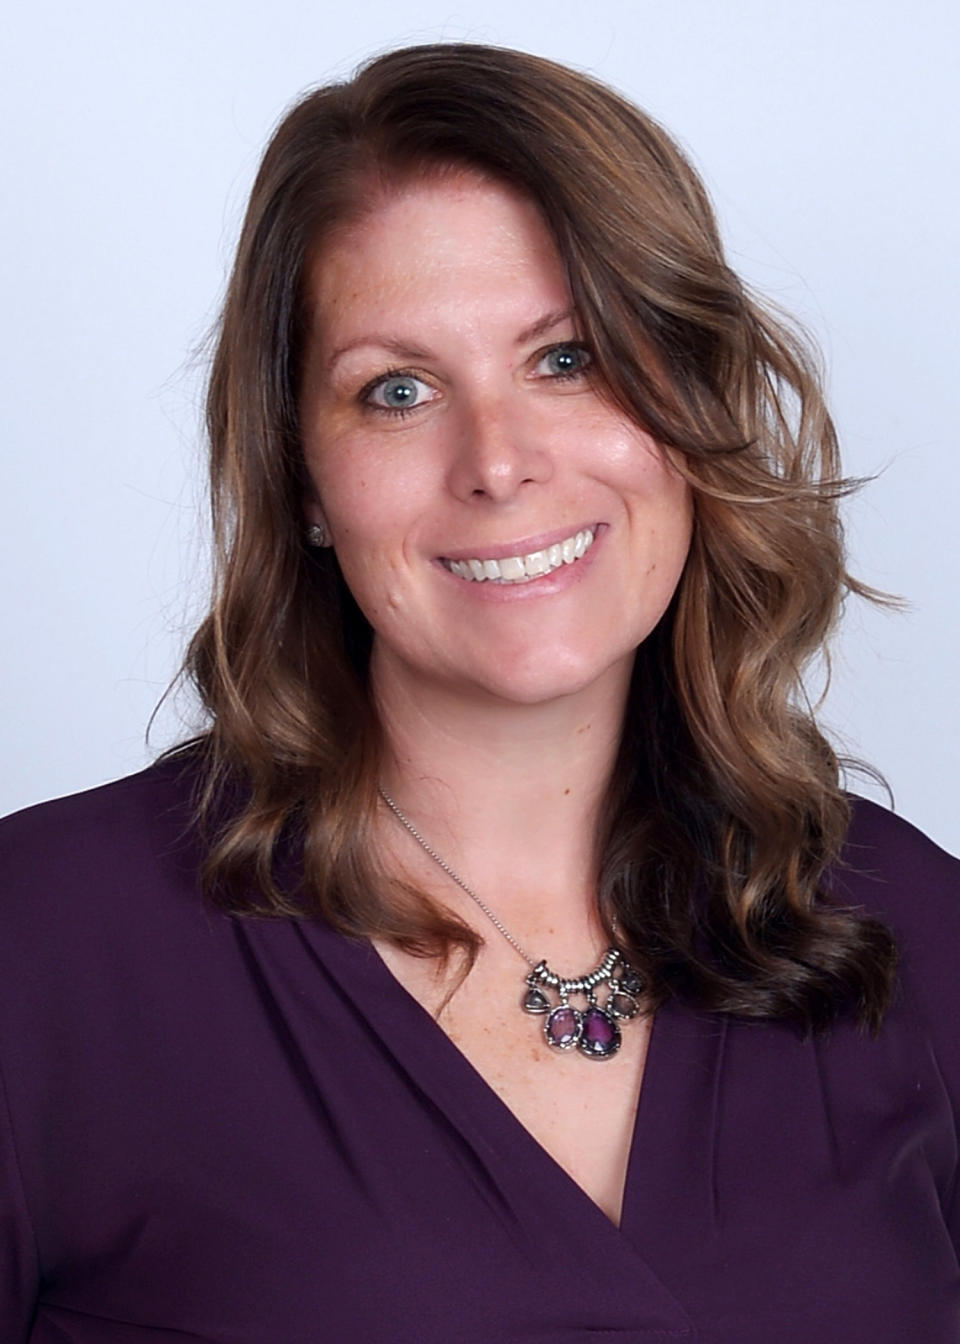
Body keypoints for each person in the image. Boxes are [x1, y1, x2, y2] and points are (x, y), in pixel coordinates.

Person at [1, 42, 957, 1344]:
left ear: (688, 401)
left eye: (567, 359)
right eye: (397, 391)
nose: (498, 462)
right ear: (304, 481)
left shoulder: (913, 924)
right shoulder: (47, 948)